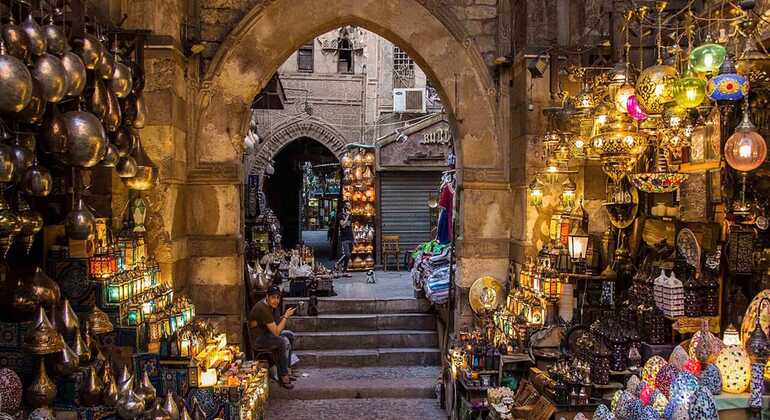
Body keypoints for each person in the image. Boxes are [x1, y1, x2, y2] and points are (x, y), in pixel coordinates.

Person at [248, 286, 297, 389]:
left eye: (278, 298)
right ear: (267, 297)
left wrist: (281, 317)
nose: (276, 301)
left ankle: (287, 369)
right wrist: (286, 317)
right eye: (273, 298)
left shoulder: (271, 306)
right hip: (258, 339)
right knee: (281, 341)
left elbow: (275, 323)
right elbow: (276, 332)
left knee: (290, 335)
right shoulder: (263, 308)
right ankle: (283, 376)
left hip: (267, 333)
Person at [335, 202, 353, 277]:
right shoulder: (340, 215)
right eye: (348, 205)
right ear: (345, 207)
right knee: (347, 254)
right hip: (344, 237)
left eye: (350, 205)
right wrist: (347, 216)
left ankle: (344, 271)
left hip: (350, 236)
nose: (350, 206)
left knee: (349, 255)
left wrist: (354, 238)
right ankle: (338, 263)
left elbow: (350, 226)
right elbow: (342, 225)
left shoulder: (350, 215)